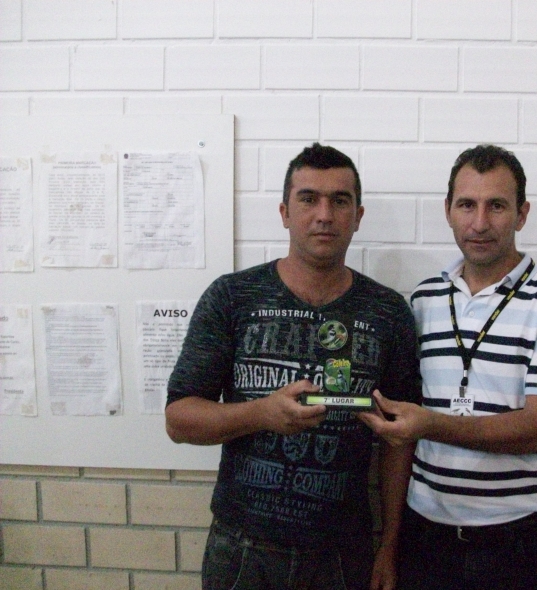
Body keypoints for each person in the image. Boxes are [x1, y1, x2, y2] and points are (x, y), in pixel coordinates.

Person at [166, 143, 420, 590]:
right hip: (242, 548)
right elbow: (178, 420)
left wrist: (390, 545)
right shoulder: (232, 297)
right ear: (284, 212)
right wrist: (260, 413)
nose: (324, 215)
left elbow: (398, 441)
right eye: (308, 199)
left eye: (339, 201)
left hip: (342, 553)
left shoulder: (388, 312)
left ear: (358, 216)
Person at [359, 144, 537, 590]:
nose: (479, 223)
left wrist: (430, 424)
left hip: (521, 543)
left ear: (521, 214)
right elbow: (402, 434)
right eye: (466, 205)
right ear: (447, 211)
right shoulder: (423, 299)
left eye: (496, 206)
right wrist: (389, 543)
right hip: (426, 538)